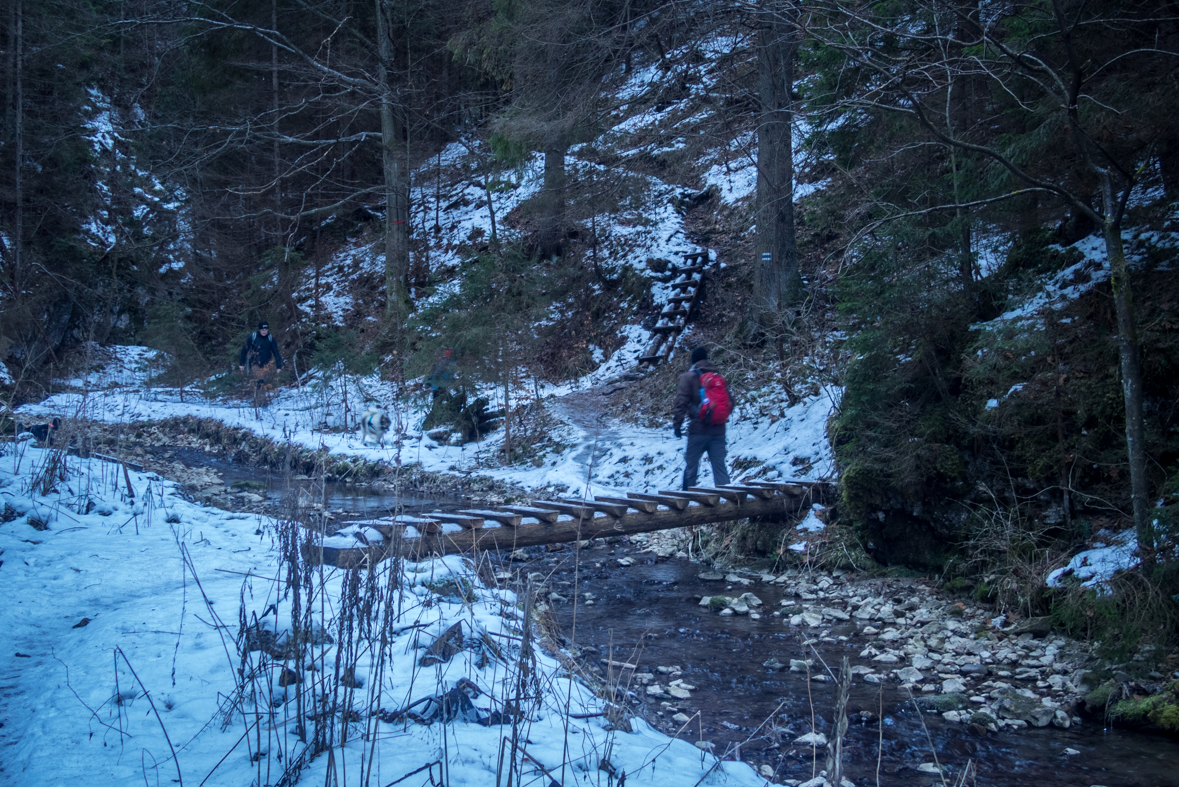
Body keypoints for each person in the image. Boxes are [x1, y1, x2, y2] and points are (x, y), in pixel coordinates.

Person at [672, 346, 731, 490]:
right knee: (720, 468)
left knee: (691, 467)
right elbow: (730, 402)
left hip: (698, 431)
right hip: (718, 430)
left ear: (693, 361)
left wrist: (677, 425)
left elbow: (681, 402)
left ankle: (686, 501)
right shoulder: (718, 378)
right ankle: (730, 501)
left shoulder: (689, 377)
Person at [239, 321, 283, 397]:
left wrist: (278, 366)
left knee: (265, 382)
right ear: (259, 330)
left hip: (266, 364)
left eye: (266, 330)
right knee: (260, 380)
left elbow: (276, 352)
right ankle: (260, 400)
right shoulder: (252, 337)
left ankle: (261, 397)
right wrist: (241, 363)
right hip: (254, 364)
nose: (264, 331)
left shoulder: (270, 338)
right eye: (262, 330)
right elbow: (244, 350)